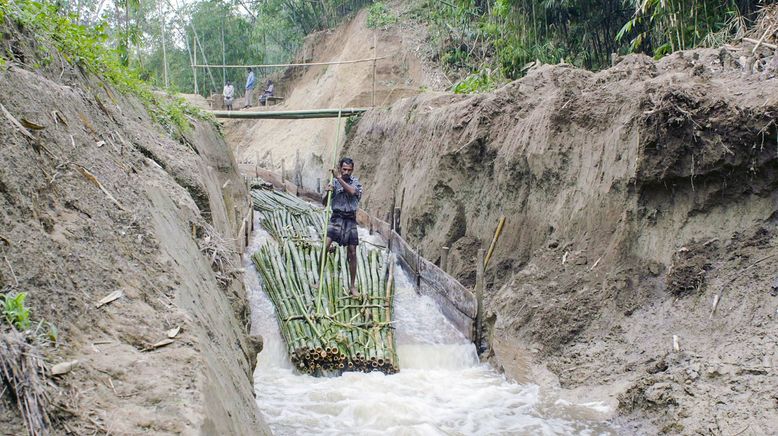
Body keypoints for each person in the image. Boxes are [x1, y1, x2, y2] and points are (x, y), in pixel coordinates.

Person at [323, 157, 363, 297]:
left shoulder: (356, 183)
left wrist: (339, 179)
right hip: (337, 217)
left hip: (350, 219)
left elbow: (352, 192)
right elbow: (324, 202)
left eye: (349, 170)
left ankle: (352, 286)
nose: (347, 172)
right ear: (340, 168)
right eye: (344, 169)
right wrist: (327, 191)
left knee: (352, 252)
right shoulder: (333, 182)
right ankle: (319, 279)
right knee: (325, 246)